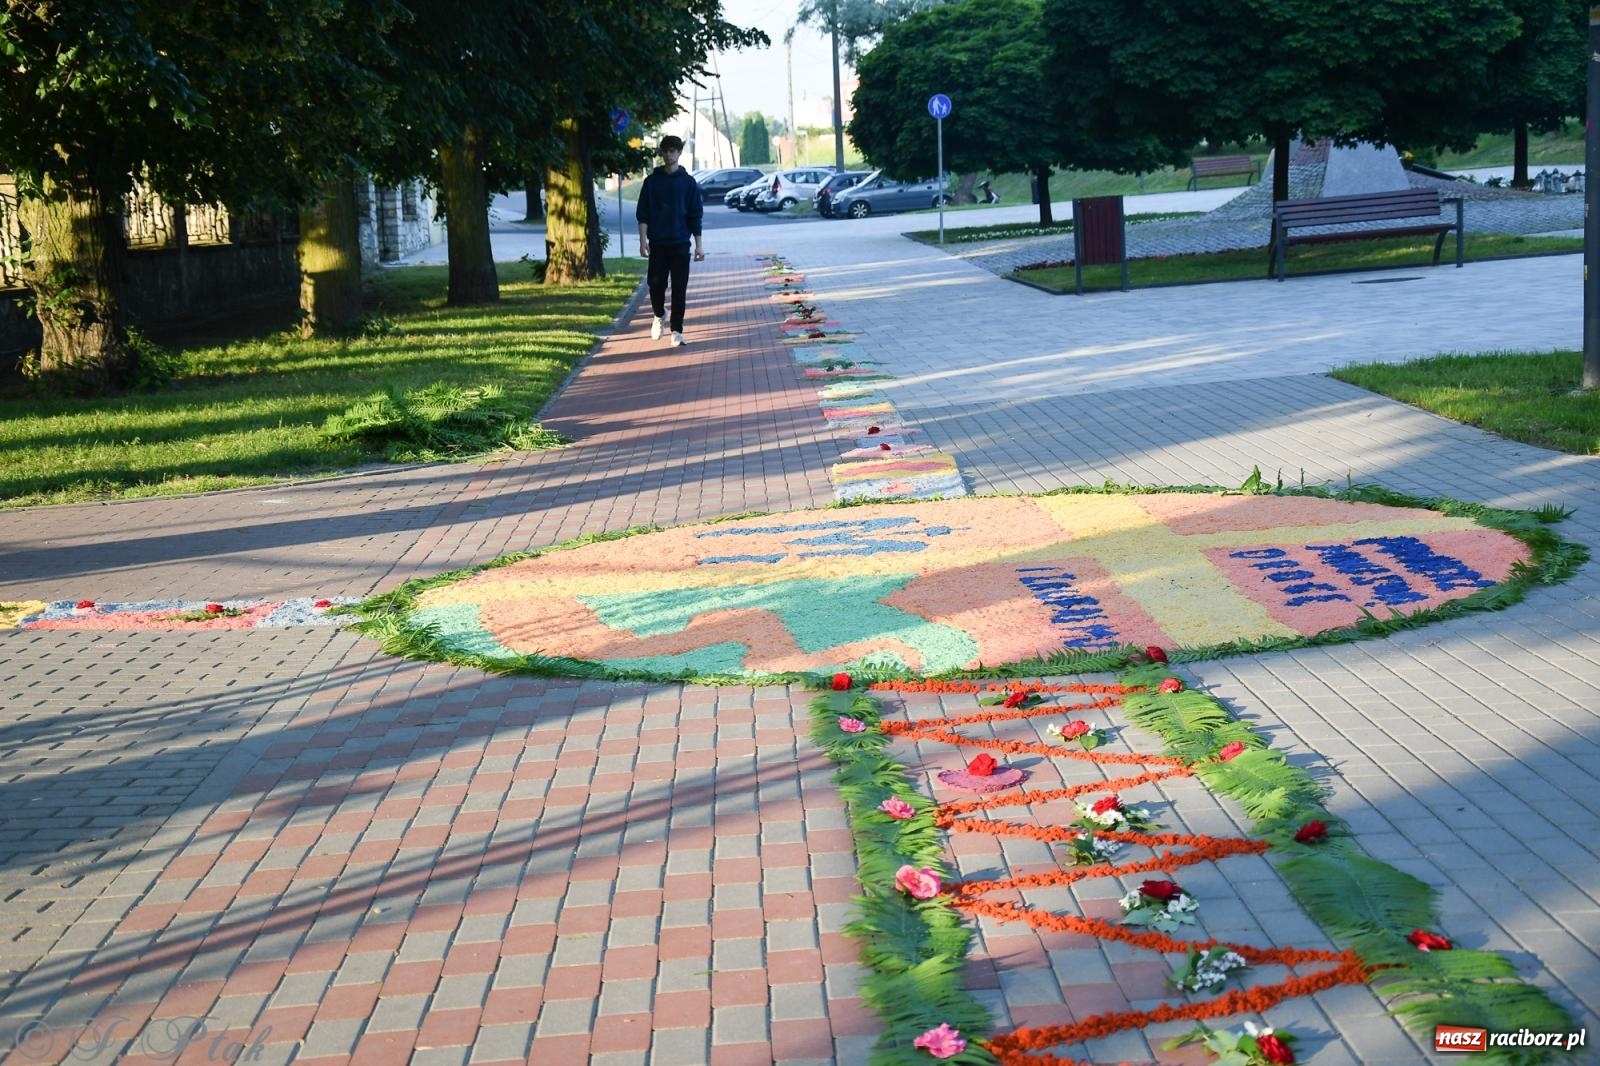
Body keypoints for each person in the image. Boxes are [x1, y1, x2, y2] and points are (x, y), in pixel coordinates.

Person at [635, 135, 705, 347]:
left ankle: (677, 331)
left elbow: (695, 215)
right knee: (655, 284)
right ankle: (658, 314)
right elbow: (643, 213)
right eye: (666, 150)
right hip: (658, 243)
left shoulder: (688, 183)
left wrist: (699, 245)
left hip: (681, 243)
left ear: (679, 153)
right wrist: (642, 241)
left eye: (673, 150)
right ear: (662, 153)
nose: (669, 154)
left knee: (679, 288)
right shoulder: (651, 182)